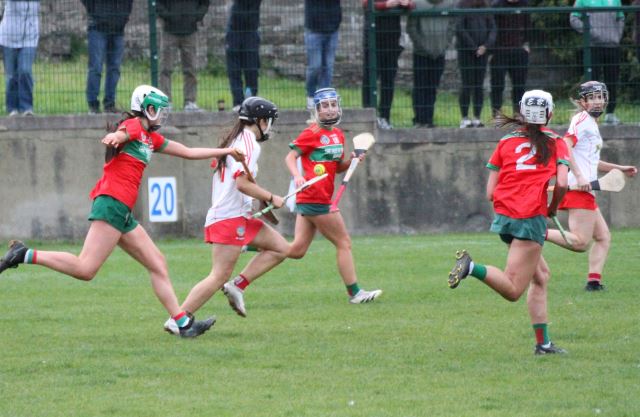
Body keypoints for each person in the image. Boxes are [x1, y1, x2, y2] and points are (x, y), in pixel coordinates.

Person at [0, 85, 244, 338]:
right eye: (159, 110)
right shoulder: (135, 125)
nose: (162, 115)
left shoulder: (151, 138)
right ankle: (24, 254)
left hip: (122, 210)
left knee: (157, 263)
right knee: (86, 269)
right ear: (147, 109)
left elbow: (188, 152)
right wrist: (116, 137)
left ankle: (183, 325)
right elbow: (124, 131)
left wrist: (226, 151)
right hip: (112, 203)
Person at [448, 90, 571, 355]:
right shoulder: (556, 142)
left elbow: (490, 193)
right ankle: (471, 267)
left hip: (505, 218)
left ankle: (543, 344)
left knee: (541, 277)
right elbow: (562, 183)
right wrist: (552, 207)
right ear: (549, 114)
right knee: (514, 290)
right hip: (530, 218)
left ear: (522, 111)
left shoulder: (506, 141)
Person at [162, 97, 287, 332]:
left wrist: (260, 201)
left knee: (281, 248)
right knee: (218, 276)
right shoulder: (250, 143)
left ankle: (237, 286)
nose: (270, 126)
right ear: (260, 121)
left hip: (238, 216)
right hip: (230, 218)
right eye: (269, 121)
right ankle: (177, 320)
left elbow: (243, 183)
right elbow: (241, 184)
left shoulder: (238, 140)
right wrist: (271, 197)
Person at [285, 88, 382, 304]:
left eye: (333, 105)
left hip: (314, 198)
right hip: (315, 197)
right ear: (317, 109)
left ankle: (251, 245)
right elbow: (290, 157)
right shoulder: (311, 133)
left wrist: (352, 160)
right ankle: (355, 293)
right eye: (325, 106)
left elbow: (337, 167)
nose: (330, 109)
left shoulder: (338, 134)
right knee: (344, 242)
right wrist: (297, 176)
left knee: (297, 250)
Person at [546, 81, 637, 291]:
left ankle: (593, 282)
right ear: (583, 102)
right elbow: (565, 146)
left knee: (603, 237)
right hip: (579, 188)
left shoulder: (591, 124)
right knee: (580, 243)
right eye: (593, 97)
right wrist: (579, 176)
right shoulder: (581, 120)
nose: (598, 101)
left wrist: (619, 168)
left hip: (586, 188)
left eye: (601, 97)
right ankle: (538, 233)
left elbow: (591, 161)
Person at [361, 0, 415, 130]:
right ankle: (367, 115)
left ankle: (385, 117)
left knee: (388, 80)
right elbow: (366, 4)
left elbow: (411, 5)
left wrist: (405, 4)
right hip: (373, 40)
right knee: (369, 79)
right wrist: (385, 5)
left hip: (392, 41)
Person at [570, 0, 624, 125]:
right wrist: (590, 32)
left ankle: (610, 114)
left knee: (612, 80)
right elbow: (574, 19)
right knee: (592, 83)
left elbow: (621, 18)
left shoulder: (616, 1)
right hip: (592, 46)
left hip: (613, 46)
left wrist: (617, 36)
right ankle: (590, 115)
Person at [407, 0, 455, 128]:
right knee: (420, 87)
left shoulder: (449, 5)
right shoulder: (417, 4)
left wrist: (444, 45)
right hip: (421, 54)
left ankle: (428, 119)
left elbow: (452, 26)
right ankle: (419, 119)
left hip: (439, 53)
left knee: (432, 88)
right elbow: (411, 28)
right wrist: (422, 47)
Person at [157, 0, 210, 113]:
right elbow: (158, 4)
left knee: (191, 69)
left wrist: (196, 16)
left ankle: (190, 102)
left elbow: (205, 3)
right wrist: (168, 16)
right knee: (165, 69)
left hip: (190, 31)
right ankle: (165, 102)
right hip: (169, 31)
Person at [81, 0, 133, 114]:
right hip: (98, 26)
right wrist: (95, 12)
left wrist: (124, 15)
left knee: (114, 69)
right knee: (96, 68)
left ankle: (110, 104)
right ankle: (93, 105)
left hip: (118, 28)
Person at [455, 0, 496, 128]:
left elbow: (493, 28)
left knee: (479, 85)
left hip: (483, 53)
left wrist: (485, 46)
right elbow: (460, 28)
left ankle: (477, 117)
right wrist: (474, 48)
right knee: (467, 85)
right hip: (466, 52)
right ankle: (464, 117)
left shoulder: (486, 6)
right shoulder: (462, 5)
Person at [489, 0, 531, 117]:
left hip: (519, 51)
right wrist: (491, 50)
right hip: (499, 51)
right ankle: (497, 114)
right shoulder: (496, 5)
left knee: (519, 85)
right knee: (497, 85)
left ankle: (518, 114)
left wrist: (526, 43)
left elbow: (528, 25)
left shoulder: (524, 4)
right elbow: (491, 28)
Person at [0, 0, 39, 116]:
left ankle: (26, 107)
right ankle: (12, 108)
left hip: (30, 37)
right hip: (9, 37)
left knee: (25, 70)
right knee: (11, 76)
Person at [225, 0, 262, 112]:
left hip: (251, 31)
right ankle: (238, 102)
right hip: (234, 30)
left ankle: (251, 101)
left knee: (251, 70)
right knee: (234, 70)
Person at [304, 0, 341, 111]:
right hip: (314, 29)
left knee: (328, 67)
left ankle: (323, 99)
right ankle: (311, 95)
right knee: (315, 66)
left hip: (332, 29)